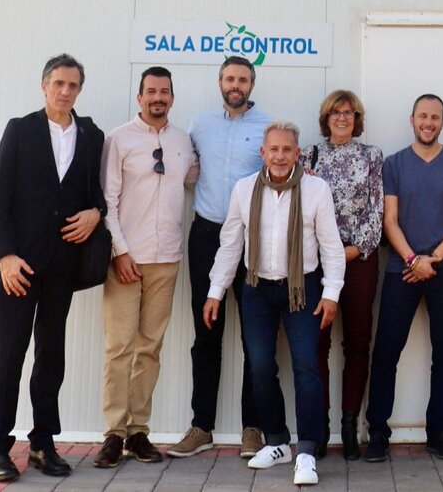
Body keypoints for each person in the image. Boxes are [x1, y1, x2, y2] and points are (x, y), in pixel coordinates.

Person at [202, 121, 344, 486]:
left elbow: (331, 246)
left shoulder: (316, 189)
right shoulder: (244, 189)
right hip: (257, 290)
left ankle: (308, 451)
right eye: (274, 149)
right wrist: (215, 291)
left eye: (287, 150)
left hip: (304, 290)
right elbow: (231, 243)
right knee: (261, 367)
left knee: (306, 367)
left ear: (297, 154)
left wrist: (331, 293)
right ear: (263, 153)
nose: (280, 156)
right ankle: (278, 442)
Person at [0, 54, 106, 481]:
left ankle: (42, 443)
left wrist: (96, 212)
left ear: (79, 89)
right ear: (44, 85)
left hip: (63, 267)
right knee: (9, 355)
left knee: (51, 357)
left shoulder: (91, 135)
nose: (65, 91)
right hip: (20, 265)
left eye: (73, 85)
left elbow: (98, 192)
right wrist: (5, 256)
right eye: (58, 83)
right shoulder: (20, 130)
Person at [93, 67, 199, 468]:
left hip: (167, 258)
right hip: (127, 258)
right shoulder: (119, 140)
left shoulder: (182, 140)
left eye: (165, 92)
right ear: (140, 97)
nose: (158, 98)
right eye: (151, 91)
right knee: (119, 347)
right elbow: (108, 199)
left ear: (172, 97)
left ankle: (138, 432)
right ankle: (113, 434)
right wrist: (119, 251)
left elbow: (196, 180)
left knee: (149, 348)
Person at [364, 94, 443, 462]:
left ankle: (438, 433)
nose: (428, 122)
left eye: (435, 117)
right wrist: (413, 259)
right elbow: (389, 220)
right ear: (412, 119)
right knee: (385, 353)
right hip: (402, 269)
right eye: (423, 116)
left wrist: (434, 259)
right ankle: (378, 432)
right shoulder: (394, 164)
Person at [169, 56, 270, 458]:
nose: (235, 85)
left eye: (243, 79)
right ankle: (201, 426)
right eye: (229, 78)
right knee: (206, 332)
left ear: (252, 84)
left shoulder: (267, 126)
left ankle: (252, 427)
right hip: (207, 233)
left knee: (254, 336)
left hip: (253, 240)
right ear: (220, 82)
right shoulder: (200, 125)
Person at [299, 90, 383, 460]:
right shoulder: (308, 156)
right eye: (336, 112)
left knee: (358, 342)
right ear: (326, 117)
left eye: (349, 113)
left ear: (357, 118)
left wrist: (347, 252)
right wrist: (326, 255)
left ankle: (350, 425)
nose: (343, 118)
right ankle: (318, 429)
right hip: (315, 263)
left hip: (358, 259)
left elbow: (376, 212)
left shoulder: (372, 157)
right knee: (316, 344)